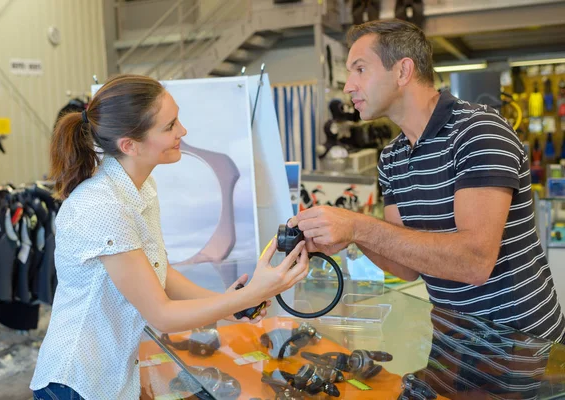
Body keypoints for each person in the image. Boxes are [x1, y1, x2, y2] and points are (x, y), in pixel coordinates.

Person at [30, 74, 309, 400]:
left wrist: (226, 305)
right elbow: (161, 313)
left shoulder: (141, 187)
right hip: (77, 383)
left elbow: (159, 272)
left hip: (112, 377)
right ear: (129, 145)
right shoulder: (103, 206)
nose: (183, 132)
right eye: (170, 126)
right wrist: (246, 297)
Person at [289, 19, 565, 343]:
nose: (349, 85)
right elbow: (406, 268)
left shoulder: (478, 131)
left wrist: (358, 226)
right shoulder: (392, 156)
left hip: (522, 348)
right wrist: (348, 236)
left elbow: (474, 262)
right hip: (453, 344)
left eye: (360, 69)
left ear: (403, 71)